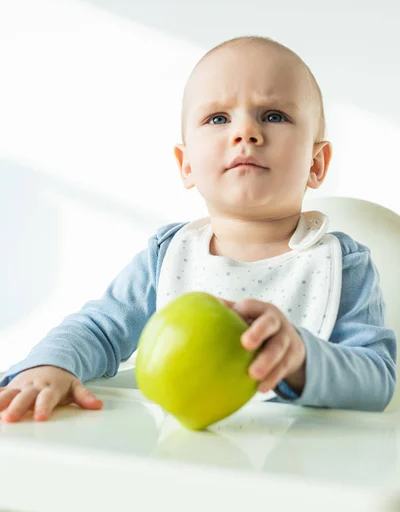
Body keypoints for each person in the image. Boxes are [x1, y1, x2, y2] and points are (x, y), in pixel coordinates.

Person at [0, 36, 396, 423]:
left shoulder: (342, 264)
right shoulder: (167, 255)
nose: (246, 133)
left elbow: (378, 380)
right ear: (186, 164)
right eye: (218, 118)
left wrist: (301, 359)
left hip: (303, 468)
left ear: (316, 163)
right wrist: (49, 365)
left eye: (273, 115)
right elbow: (98, 331)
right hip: (177, 457)